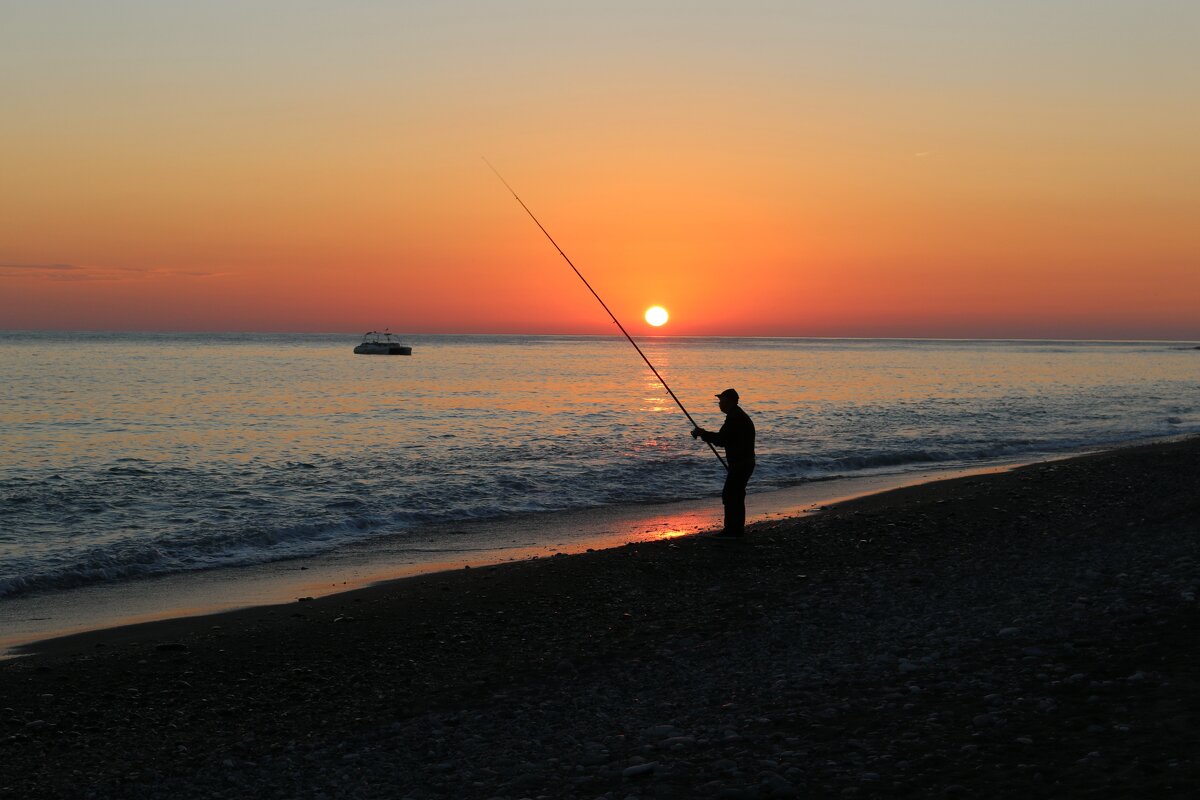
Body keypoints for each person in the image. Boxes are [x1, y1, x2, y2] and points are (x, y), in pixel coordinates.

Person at [692, 388, 756, 538]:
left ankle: (732, 531)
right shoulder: (737, 415)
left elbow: (722, 439)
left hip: (741, 463)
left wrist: (703, 433)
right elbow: (725, 439)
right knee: (736, 495)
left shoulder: (735, 418)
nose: (719, 403)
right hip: (744, 462)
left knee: (731, 495)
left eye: (721, 400)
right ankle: (736, 530)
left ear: (730, 401)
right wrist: (705, 434)